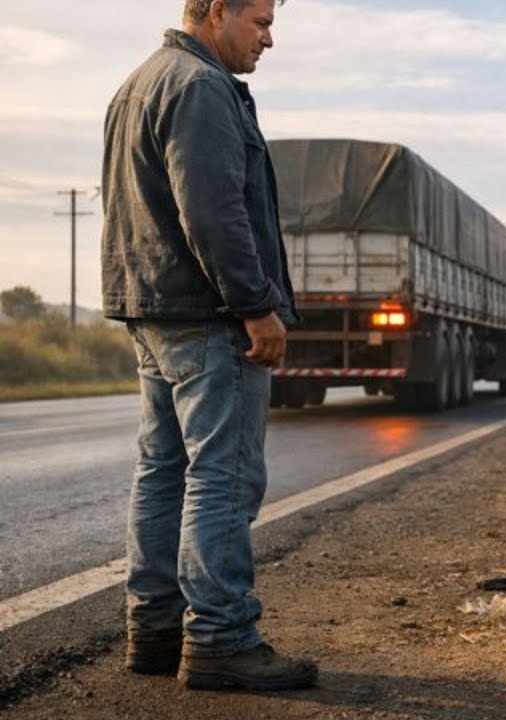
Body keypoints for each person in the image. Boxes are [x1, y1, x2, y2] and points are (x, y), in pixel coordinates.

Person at [101, 0, 316, 691]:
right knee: (224, 475)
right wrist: (256, 306)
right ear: (217, 11)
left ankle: (156, 630)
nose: (269, 39)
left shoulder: (141, 80)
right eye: (261, 22)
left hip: (156, 305)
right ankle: (221, 639)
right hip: (208, 312)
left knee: (163, 470)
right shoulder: (200, 86)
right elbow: (213, 211)